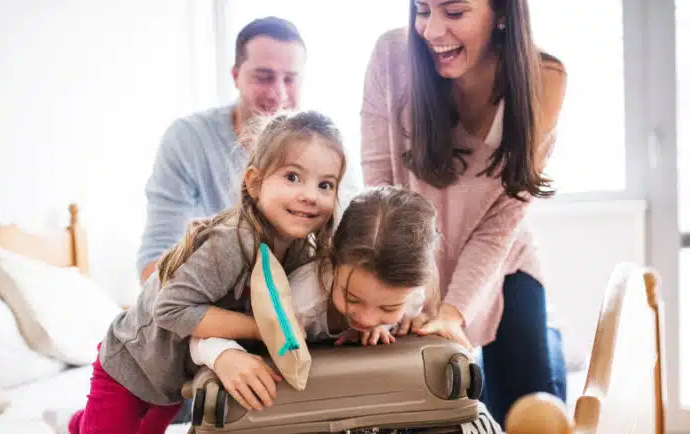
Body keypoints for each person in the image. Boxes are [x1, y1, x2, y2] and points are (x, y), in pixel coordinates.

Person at [48, 110, 346, 434]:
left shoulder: (301, 247)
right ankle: (76, 423)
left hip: (171, 380)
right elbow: (170, 309)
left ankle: (77, 422)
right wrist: (260, 328)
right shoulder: (233, 241)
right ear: (255, 182)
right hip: (130, 364)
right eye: (292, 177)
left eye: (325, 184)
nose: (310, 195)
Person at [359, 0, 568, 424]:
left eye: (454, 13)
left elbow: (500, 226)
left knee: (529, 410)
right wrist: (408, 293)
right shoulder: (392, 58)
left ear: (503, 14)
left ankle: (552, 344)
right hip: (415, 259)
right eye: (422, 10)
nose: (432, 31)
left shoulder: (543, 79)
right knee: (431, 409)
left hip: (503, 261)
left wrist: (453, 314)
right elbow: (380, 191)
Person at [188, 185, 443, 411]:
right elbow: (199, 336)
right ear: (332, 260)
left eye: (388, 307)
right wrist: (223, 355)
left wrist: (407, 322)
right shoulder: (302, 298)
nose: (366, 318)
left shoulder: (411, 294)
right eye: (352, 299)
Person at [136, 16, 307, 285]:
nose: (279, 94)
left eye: (290, 79)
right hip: (207, 302)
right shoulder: (187, 141)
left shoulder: (323, 147)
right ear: (236, 77)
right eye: (264, 77)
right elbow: (153, 266)